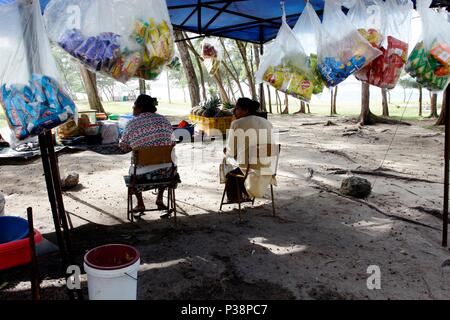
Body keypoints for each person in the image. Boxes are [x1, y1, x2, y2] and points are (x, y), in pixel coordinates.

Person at [119, 94, 175, 216]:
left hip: (141, 177)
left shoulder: (131, 124)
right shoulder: (165, 121)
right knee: (162, 162)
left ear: (139, 107)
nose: (133, 109)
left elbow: (123, 147)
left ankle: (140, 203)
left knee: (133, 169)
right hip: (167, 174)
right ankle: (160, 199)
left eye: (134, 106)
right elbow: (172, 143)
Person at [221, 97, 276, 202]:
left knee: (227, 164)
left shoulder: (237, 123)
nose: (234, 111)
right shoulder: (267, 122)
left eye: (237, 108)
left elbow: (231, 151)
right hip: (268, 168)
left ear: (245, 110)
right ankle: (246, 193)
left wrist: (227, 152)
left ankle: (236, 197)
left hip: (249, 168)